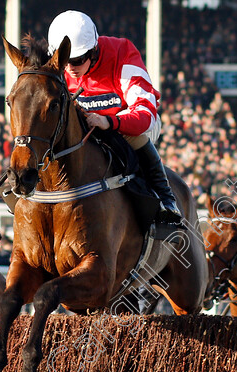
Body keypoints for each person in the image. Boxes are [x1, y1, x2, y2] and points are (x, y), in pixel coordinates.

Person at [46, 10, 182, 225]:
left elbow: (144, 114)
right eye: (64, 61)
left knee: (132, 136)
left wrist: (109, 122)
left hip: (133, 120)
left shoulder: (122, 52)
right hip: (88, 123)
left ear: (93, 51)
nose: (70, 68)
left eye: (78, 60)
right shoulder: (59, 67)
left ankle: (166, 200)